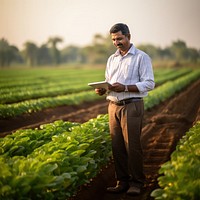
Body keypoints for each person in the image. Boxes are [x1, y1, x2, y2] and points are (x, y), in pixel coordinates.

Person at [95, 23, 155, 195]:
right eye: (114, 39)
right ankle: (122, 182)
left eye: (119, 38)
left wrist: (127, 87)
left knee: (132, 146)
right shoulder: (111, 59)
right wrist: (103, 89)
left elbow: (150, 83)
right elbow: (109, 81)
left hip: (131, 105)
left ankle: (137, 183)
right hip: (113, 106)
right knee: (117, 146)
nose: (116, 42)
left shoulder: (141, 57)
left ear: (129, 36)